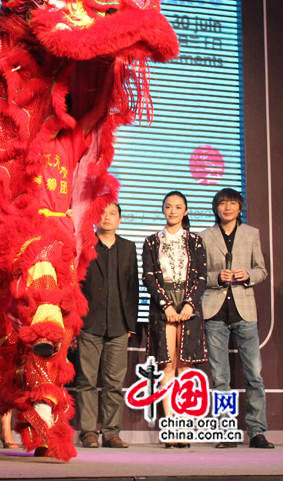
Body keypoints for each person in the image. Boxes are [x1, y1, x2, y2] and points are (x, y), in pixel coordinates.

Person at [200, 188, 274, 449]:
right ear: (216, 208)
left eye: (232, 203)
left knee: (254, 374)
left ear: (240, 208)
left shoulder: (251, 233)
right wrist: (217, 277)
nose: (227, 207)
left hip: (245, 310)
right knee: (220, 377)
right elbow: (199, 275)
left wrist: (248, 275)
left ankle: (257, 432)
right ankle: (225, 431)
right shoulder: (204, 237)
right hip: (214, 311)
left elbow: (262, 270)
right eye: (222, 203)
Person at [142, 191, 207, 448]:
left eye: (178, 207)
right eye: (168, 207)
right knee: (167, 366)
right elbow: (148, 277)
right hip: (163, 306)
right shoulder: (150, 241)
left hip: (189, 305)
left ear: (186, 211)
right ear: (163, 210)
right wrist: (165, 304)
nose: (173, 211)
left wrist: (190, 303)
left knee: (185, 367)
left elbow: (202, 276)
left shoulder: (196, 241)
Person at [76, 202, 138, 448]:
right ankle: (88, 432)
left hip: (119, 325)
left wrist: (130, 323)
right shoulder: (84, 244)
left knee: (114, 382)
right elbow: (77, 283)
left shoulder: (128, 247)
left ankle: (112, 432)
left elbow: (133, 287)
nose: (107, 217)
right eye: (102, 213)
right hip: (89, 323)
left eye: (113, 213)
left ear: (120, 219)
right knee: (87, 381)